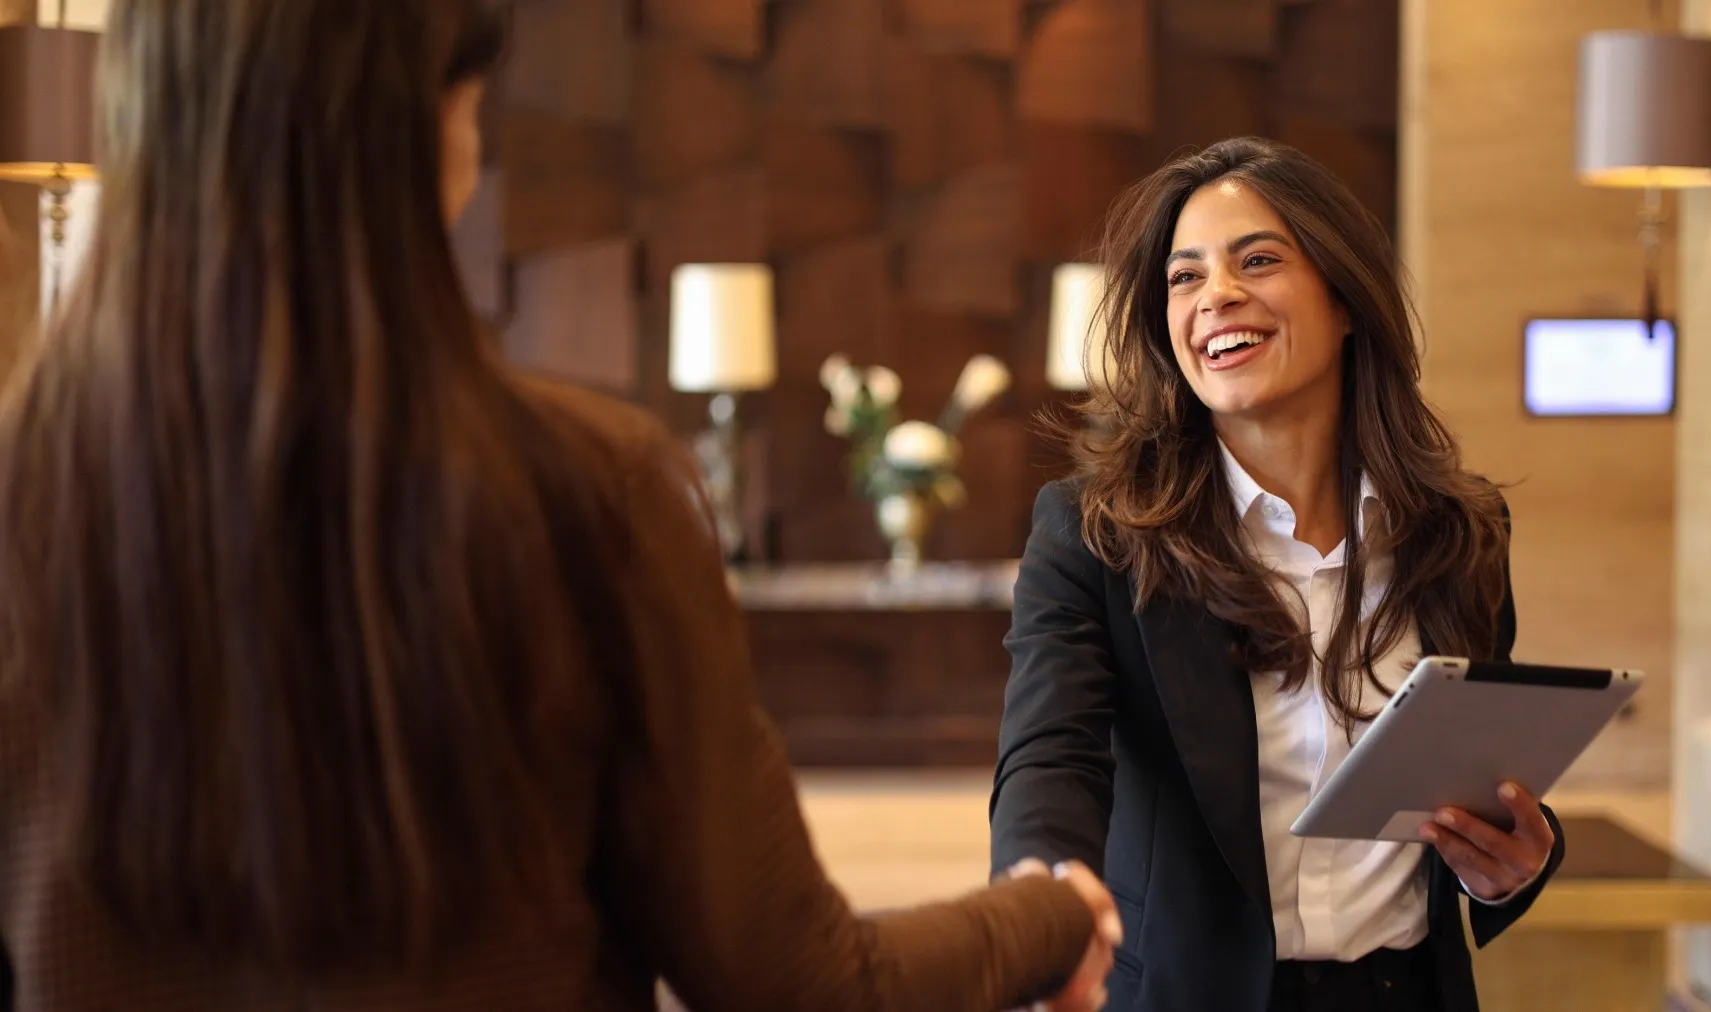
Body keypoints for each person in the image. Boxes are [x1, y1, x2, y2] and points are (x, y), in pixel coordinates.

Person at [0, 1, 1120, 1010]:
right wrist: (1049, 915)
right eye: (470, 108)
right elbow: (795, 976)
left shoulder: (24, 486)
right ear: (417, 142)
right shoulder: (587, 490)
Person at [989, 136, 1567, 1012]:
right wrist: (1046, 889)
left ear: (1344, 301)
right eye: (1185, 277)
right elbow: (1050, 756)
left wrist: (1513, 862)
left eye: (1257, 260)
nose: (1216, 294)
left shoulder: (1463, 529)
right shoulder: (1093, 533)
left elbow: (1469, 781)